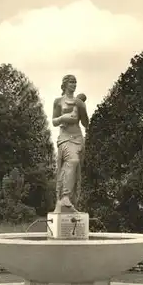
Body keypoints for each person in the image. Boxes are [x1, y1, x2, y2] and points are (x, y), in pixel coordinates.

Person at [52, 75, 89, 212]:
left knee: (76, 170)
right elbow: (54, 121)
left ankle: (71, 202)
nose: (74, 84)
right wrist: (64, 117)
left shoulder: (79, 103)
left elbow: (86, 123)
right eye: (71, 82)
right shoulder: (58, 101)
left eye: (75, 82)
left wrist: (82, 108)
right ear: (65, 84)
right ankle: (64, 196)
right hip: (65, 137)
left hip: (78, 138)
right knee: (72, 161)